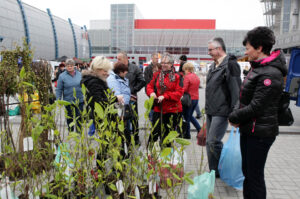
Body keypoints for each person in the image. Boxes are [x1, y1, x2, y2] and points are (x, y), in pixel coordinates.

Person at [229, 26, 287, 199]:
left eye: (248, 48)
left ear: (259, 48)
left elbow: (258, 106)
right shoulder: (258, 68)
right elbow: (244, 97)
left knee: (254, 176)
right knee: (248, 172)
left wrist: (234, 116)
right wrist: (237, 113)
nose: (246, 52)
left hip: (260, 132)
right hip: (250, 128)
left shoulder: (270, 73)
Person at [205, 37, 241, 177]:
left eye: (210, 50)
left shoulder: (230, 65)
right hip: (211, 110)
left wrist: (235, 112)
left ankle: (220, 169)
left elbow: (236, 90)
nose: (208, 53)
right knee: (210, 143)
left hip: (222, 111)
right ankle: (214, 171)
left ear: (219, 49)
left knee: (213, 141)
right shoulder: (214, 65)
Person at [146, 53, 184, 148]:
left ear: (171, 64)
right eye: (162, 62)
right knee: (154, 132)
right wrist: (151, 93)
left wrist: (165, 96)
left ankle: (166, 156)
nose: (163, 64)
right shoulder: (157, 75)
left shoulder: (177, 76)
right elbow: (149, 86)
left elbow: (179, 93)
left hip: (173, 110)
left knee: (167, 136)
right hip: (159, 109)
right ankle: (150, 153)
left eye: (166, 63)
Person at [81, 56, 122, 122]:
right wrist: (116, 98)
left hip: (103, 117)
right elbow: (99, 102)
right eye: (105, 71)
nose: (107, 74)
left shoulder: (96, 81)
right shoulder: (94, 83)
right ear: (97, 69)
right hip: (103, 118)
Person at [117, 51, 145, 145]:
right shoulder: (116, 69)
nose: (117, 61)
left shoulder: (135, 68)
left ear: (125, 59)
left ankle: (136, 137)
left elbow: (142, 81)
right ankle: (124, 137)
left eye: (119, 59)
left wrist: (133, 90)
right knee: (122, 117)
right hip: (120, 99)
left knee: (134, 117)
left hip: (132, 98)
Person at [56, 59, 84, 132]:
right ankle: (71, 132)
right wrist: (58, 99)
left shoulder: (80, 74)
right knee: (70, 117)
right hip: (68, 101)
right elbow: (59, 89)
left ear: (74, 66)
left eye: (71, 66)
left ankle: (79, 132)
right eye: (68, 66)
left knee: (79, 117)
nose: (69, 67)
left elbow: (84, 86)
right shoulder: (62, 76)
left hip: (79, 100)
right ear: (65, 67)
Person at [107, 62, 131, 145]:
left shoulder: (120, 78)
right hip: (119, 107)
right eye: (125, 71)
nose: (126, 73)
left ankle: (125, 146)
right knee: (121, 129)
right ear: (120, 72)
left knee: (125, 128)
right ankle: (121, 148)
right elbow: (117, 96)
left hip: (124, 106)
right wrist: (121, 115)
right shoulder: (113, 80)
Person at [182, 62, 201, 139]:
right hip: (196, 99)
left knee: (187, 117)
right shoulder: (196, 76)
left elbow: (185, 89)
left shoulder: (187, 77)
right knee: (189, 115)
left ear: (186, 69)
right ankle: (199, 129)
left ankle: (187, 134)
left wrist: (178, 91)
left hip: (189, 99)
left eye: (184, 69)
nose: (184, 71)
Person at [144, 53, 160, 122]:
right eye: (156, 58)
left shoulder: (159, 67)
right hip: (151, 90)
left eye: (157, 58)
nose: (157, 59)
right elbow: (147, 80)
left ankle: (155, 118)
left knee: (157, 105)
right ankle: (151, 119)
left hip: (158, 90)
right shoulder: (148, 68)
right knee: (152, 104)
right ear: (152, 59)